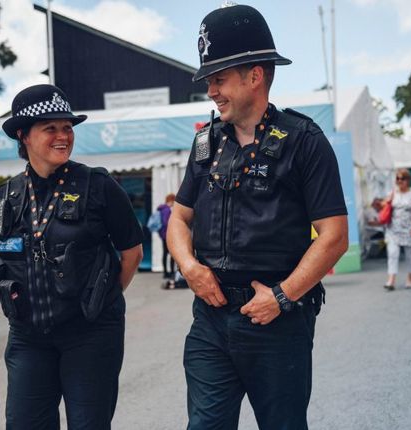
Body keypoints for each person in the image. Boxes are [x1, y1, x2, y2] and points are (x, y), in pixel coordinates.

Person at [167, 5, 348, 429]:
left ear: (255, 76)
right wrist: (190, 267)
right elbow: (178, 219)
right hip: (210, 320)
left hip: (278, 321)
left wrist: (283, 296)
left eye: (219, 79)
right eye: (209, 80)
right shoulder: (205, 144)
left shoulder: (305, 140)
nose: (211, 90)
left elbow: (334, 236)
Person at [0, 84, 143, 429]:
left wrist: (100, 299)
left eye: (67, 128)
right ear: (23, 135)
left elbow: (132, 253)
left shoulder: (99, 185)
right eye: (50, 128)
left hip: (89, 334)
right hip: (27, 336)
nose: (63, 136)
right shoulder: (8, 195)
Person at [383, 168, 411, 290]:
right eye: (397, 178)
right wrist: (387, 201)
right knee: (393, 253)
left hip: (409, 228)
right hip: (393, 228)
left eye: (402, 178)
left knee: (410, 254)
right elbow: (384, 205)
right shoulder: (393, 192)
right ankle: (391, 280)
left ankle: (410, 277)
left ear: (408, 180)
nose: (400, 181)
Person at [157, 193, 176, 279]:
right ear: (171, 200)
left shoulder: (162, 209)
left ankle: (166, 272)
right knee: (171, 253)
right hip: (167, 235)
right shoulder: (167, 210)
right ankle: (171, 272)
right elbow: (165, 222)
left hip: (163, 234)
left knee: (165, 253)